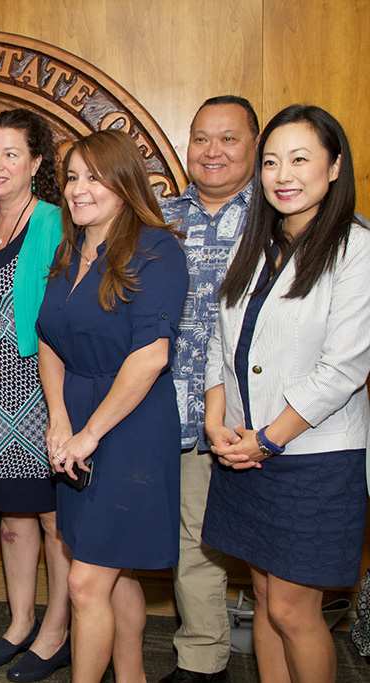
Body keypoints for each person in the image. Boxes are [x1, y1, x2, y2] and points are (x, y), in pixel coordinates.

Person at [203, 104, 370, 683]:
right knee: (266, 599)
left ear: (334, 167)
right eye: (272, 161)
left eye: (300, 159)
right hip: (246, 450)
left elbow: (342, 370)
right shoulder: (256, 245)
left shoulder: (356, 248)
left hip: (311, 458)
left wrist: (266, 441)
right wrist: (215, 419)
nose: (283, 174)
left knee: (293, 609)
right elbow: (221, 345)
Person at [36, 129, 188, 683]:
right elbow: (48, 337)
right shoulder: (70, 248)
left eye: (94, 177)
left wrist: (89, 434)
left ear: (125, 183)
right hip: (75, 420)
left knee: (84, 583)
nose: (78, 190)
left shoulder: (157, 249)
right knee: (111, 573)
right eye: (72, 177)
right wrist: (58, 417)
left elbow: (150, 357)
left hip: (129, 428)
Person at [0, 109, 71, 682]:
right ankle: (19, 620)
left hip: (39, 391)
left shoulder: (55, 221)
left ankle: (57, 630)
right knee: (11, 518)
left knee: (54, 519)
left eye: (11, 154)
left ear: (35, 163)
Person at [158, 95, 260, 683]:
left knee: (278, 559)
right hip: (174, 409)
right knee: (193, 537)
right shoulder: (160, 218)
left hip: (262, 416)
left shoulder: (278, 215)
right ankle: (201, 661)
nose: (212, 151)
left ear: (254, 144)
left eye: (228, 138)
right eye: (201, 138)